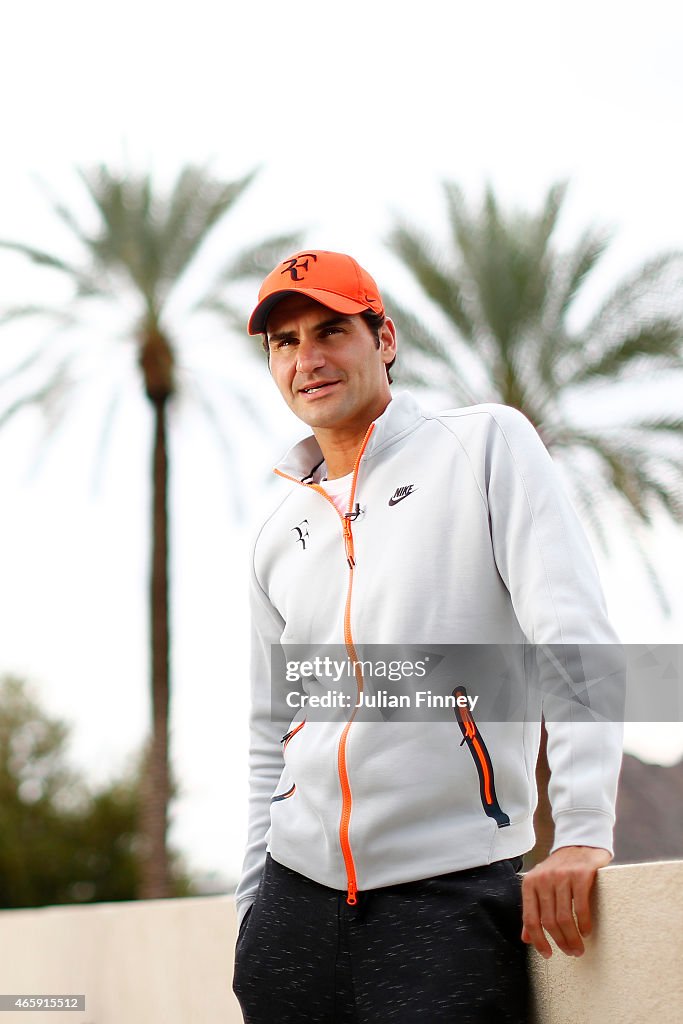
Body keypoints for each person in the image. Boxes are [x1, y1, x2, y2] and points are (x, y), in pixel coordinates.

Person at [232, 250, 623, 1023]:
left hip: (446, 892)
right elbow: (270, 733)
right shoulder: (277, 535)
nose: (307, 358)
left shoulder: (482, 447)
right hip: (293, 904)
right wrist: (252, 909)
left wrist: (580, 831)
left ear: (384, 339)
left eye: (330, 331)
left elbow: (571, 638)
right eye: (284, 342)